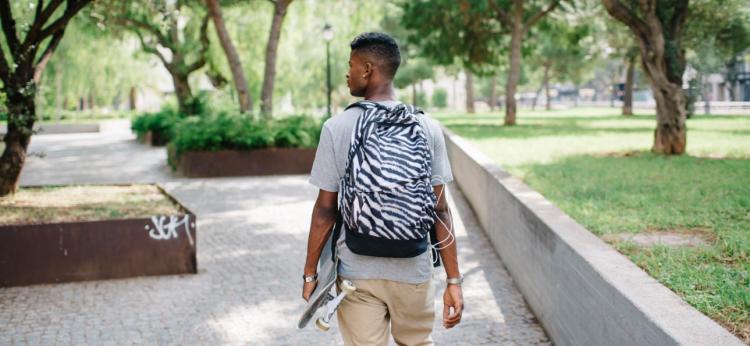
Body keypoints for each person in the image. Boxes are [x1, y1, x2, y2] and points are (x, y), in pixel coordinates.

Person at [302, 32, 463, 346]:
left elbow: (325, 211)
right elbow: (440, 210)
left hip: (357, 274)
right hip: (414, 271)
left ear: (367, 69)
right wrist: (453, 280)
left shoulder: (337, 128)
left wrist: (310, 275)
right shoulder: (428, 127)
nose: (347, 73)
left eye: (351, 65)